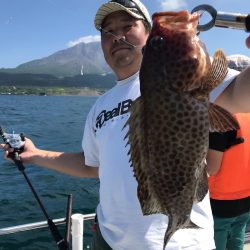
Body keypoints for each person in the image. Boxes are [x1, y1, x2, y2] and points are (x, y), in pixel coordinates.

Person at [1, 1, 248, 249]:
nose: (117, 36)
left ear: (148, 34)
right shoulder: (99, 106)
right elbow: (92, 165)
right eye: (108, 32)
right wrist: (36, 155)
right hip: (107, 240)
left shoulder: (190, 76)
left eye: (128, 25)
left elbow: (241, 94)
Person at [207, 55, 250, 250]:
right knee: (238, 236)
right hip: (247, 196)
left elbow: (213, 168)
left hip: (222, 200)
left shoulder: (220, 118)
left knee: (218, 239)